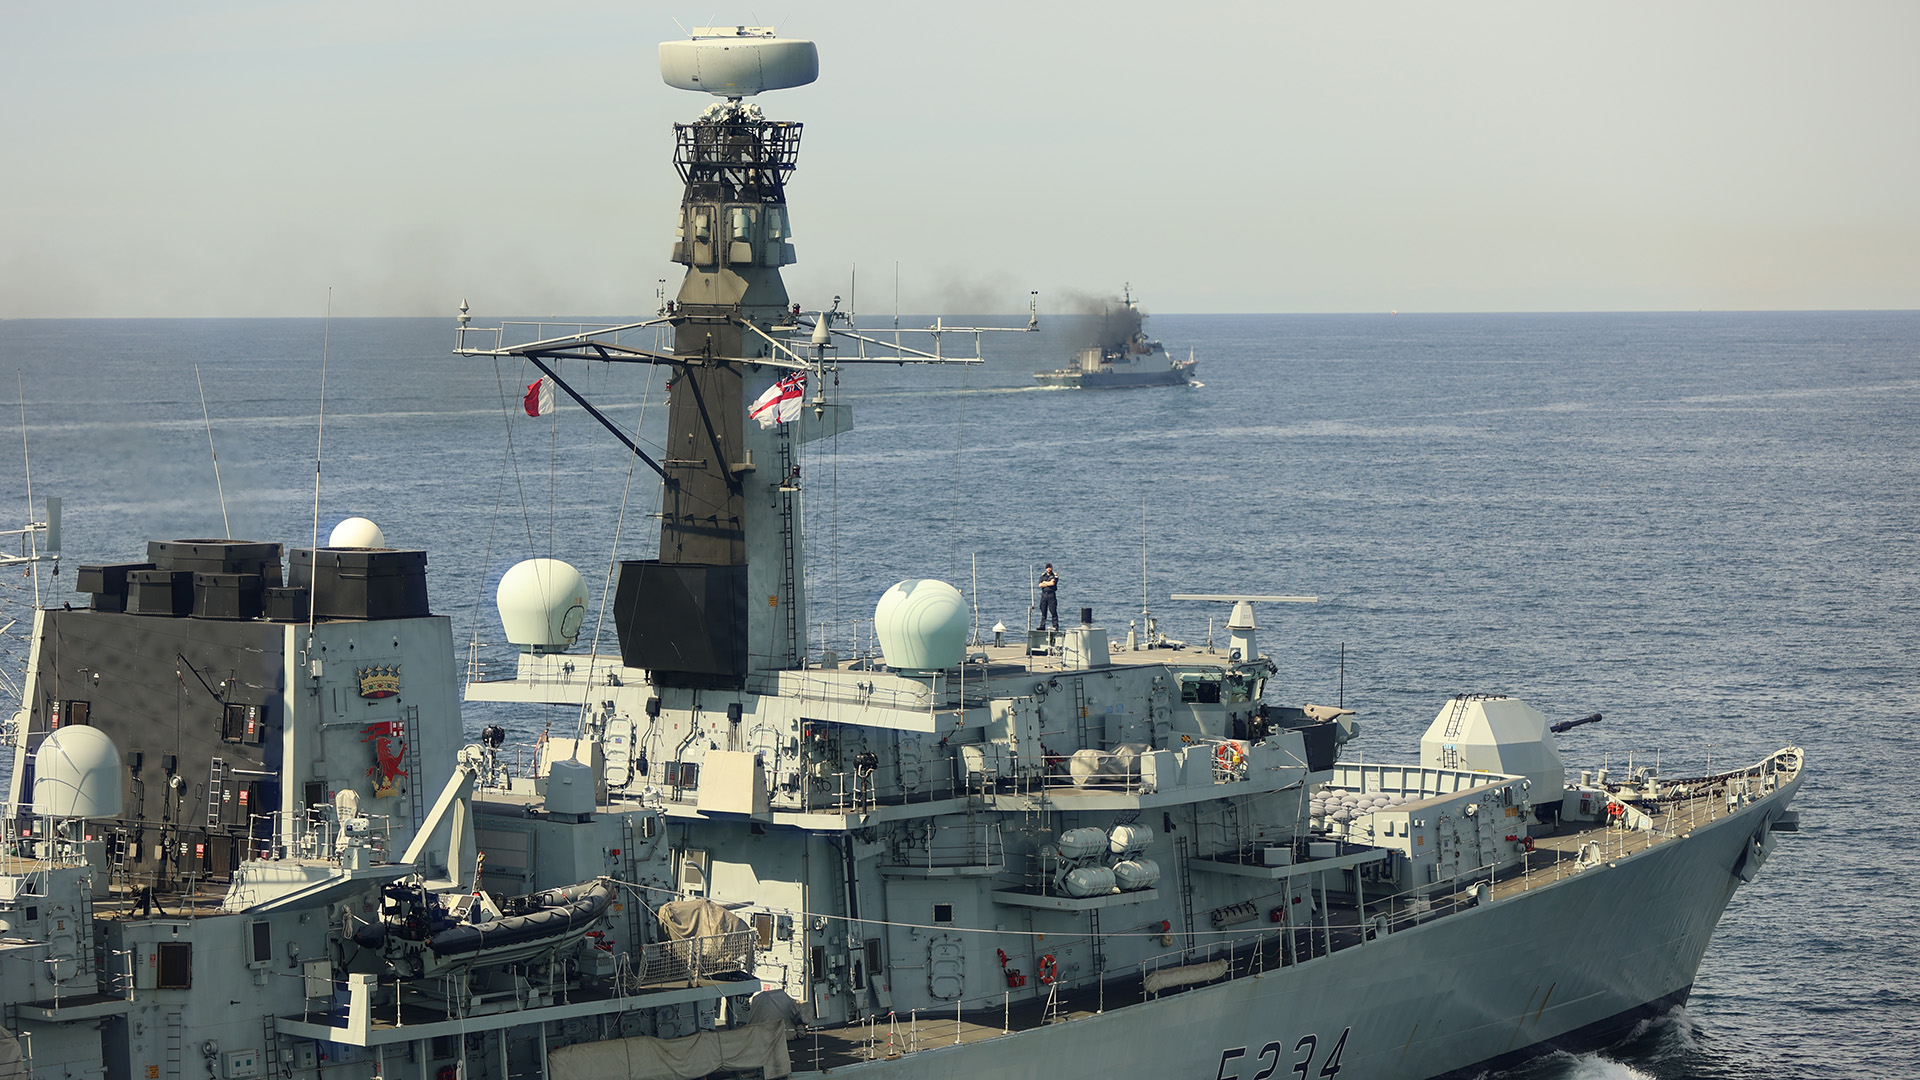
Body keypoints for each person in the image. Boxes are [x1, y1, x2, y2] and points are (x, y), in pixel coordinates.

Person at [1037, 563, 1060, 631]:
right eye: (1047, 568)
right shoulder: (1043, 576)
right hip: (1044, 595)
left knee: (1053, 611)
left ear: (1052, 568)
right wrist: (1048, 583)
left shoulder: (1054, 576)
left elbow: (1052, 583)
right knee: (1043, 611)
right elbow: (1040, 585)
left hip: (1051, 595)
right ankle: (1042, 626)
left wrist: (1045, 582)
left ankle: (1055, 626)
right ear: (1046, 569)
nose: (1049, 569)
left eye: (1050, 567)